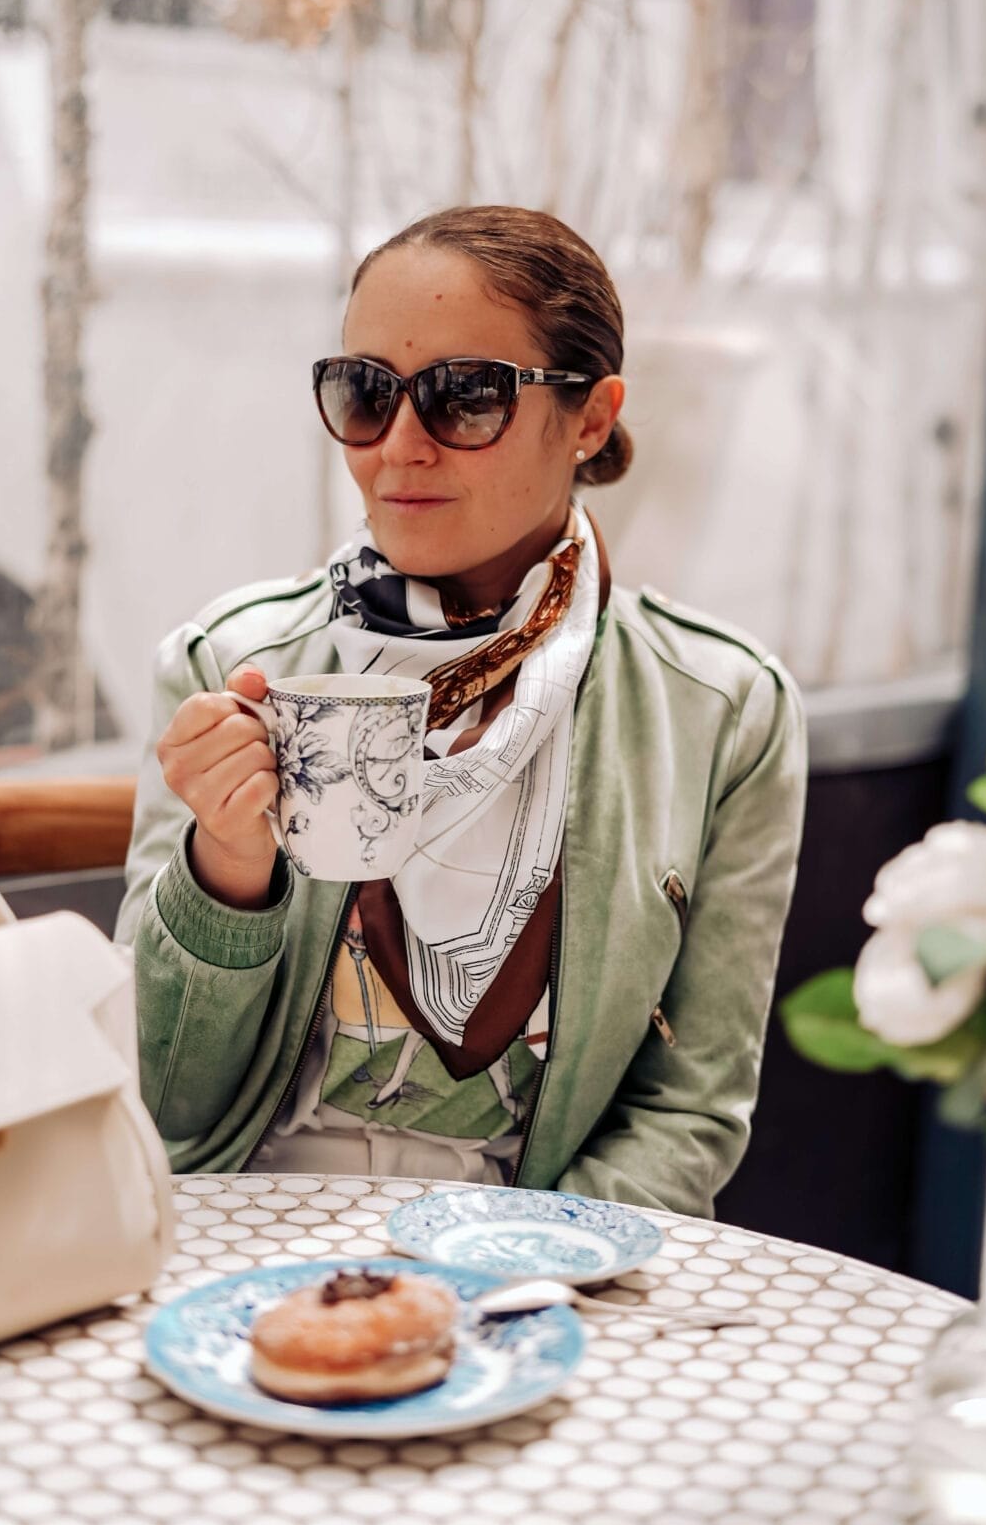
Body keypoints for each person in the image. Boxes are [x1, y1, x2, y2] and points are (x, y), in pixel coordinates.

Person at [116, 206, 807, 1216]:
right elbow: (160, 1098)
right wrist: (226, 864)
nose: (398, 447)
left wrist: (534, 1274)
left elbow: (688, 1113)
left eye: (464, 397)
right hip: (231, 1241)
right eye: (364, 392)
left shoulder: (725, 714)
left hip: (544, 1265)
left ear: (590, 417)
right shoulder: (228, 663)